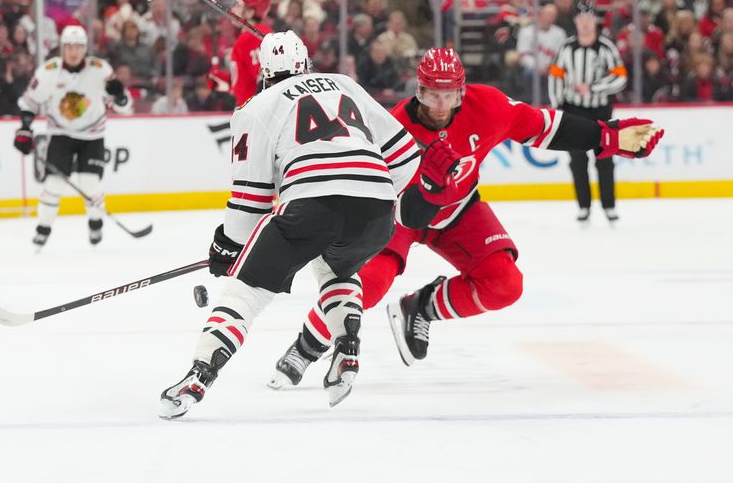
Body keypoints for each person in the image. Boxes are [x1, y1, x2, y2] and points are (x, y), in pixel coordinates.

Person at [266, 47, 662, 388]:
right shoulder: (391, 127)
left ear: (462, 91)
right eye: (431, 94)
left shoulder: (487, 106)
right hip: (400, 216)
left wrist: (604, 136)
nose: (440, 105)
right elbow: (354, 176)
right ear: (417, 90)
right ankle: (308, 346)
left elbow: (543, 127)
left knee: (505, 284)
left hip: (458, 210)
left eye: (449, 95)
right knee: (371, 281)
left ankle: (420, 307)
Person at [159, 31, 421, 419]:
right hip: (378, 209)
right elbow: (406, 155)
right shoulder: (345, 85)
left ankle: (199, 375)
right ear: (306, 64)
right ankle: (347, 351)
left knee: (245, 292)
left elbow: (251, 200)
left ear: (264, 72)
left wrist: (228, 249)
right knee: (337, 268)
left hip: (313, 206)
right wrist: (373, 195)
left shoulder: (256, 106)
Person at [13, 25, 133, 248]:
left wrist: (121, 96)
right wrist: (25, 128)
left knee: (89, 183)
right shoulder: (48, 71)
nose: (73, 51)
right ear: (62, 48)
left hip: (92, 135)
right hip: (61, 134)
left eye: (78, 47)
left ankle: (95, 222)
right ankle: (43, 230)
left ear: (85, 48)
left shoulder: (100, 70)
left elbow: (123, 107)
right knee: (53, 184)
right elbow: (29, 102)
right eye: (68, 46)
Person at [549, 1, 628, 223]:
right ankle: (584, 206)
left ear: (595, 21)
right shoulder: (565, 48)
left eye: (589, 18)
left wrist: (594, 88)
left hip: (601, 110)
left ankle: (609, 206)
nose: (584, 23)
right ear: (575, 21)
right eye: (581, 19)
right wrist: (557, 107)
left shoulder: (606, 48)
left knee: (605, 159)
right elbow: (555, 77)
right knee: (577, 160)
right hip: (573, 111)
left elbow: (620, 77)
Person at [229, 0, 272, 106]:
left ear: (250, 12)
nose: (233, 9)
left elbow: (265, 78)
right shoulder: (256, 35)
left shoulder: (251, 37)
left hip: (253, 110)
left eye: (238, 5)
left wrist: (250, 109)